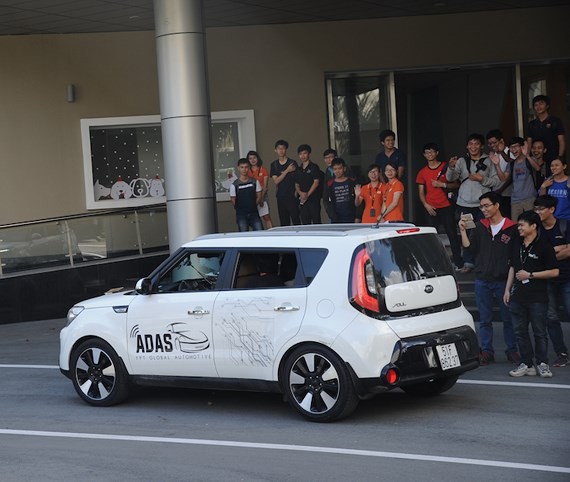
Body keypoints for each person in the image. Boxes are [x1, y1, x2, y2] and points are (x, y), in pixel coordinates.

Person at [458, 191, 519, 365]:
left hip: (502, 279)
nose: (483, 209)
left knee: (508, 318)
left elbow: (515, 256)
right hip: (482, 279)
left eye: (486, 206)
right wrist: (462, 231)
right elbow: (469, 248)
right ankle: (486, 351)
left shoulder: (512, 227)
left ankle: (512, 350)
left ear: (497, 205)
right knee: (485, 319)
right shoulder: (480, 226)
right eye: (481, 206)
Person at [504, 210, 559, 378]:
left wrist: (531, 275)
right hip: (518, 295)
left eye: (522, 225)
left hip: (537, 295)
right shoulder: (516, 244)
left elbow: (555, 271)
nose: (518, 228)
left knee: (539, 331)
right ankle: (527, 364)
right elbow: (513, 267)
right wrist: (507, 289)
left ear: (533, 226)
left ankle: (542, 363)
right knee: (520, 331)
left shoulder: (544, 245)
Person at [447, 133, 502, 272]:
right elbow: (450, 178)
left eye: (476, 143)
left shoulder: (489, 161)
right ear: (467, 146)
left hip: (484, 205)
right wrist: (451, 167)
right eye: (470, 144)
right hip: (465, 203)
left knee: (485, 232)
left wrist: (481, 179)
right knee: (467, 232)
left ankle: (485, 262)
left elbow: (496, 181)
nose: (473, 146)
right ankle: (468, 263)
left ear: (482, 146)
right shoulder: (461, 161)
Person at [533, 195, 569, 368]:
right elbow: (537, 256)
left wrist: (549, 254)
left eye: (541, 209)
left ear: (552, 209)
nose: (538, 212)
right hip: (546, 280)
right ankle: (561, 353)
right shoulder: (536, 230)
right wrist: (558, 250)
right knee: (551, 318)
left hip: (567, 278)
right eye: (536, 209)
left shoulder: (564, 225)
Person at [416, 143, 463, 269]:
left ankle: (458, 262)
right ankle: (435, 264)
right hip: (431, 208)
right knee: (432, 238)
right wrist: (426, 205)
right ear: (424, 155)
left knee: (452, 235)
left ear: (437, 153)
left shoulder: (446, 167)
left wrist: (442, 185)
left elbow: (457, 184)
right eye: (427, 152)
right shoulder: (422, 172)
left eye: (432, 152)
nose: (429, 154)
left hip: (446, 205)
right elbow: (421, 192)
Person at [526, 94, 566, 174]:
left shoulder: (555, 121)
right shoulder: (532, 124)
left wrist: (560, 157)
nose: (538, 107)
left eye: (541, 104)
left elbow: (561, 141)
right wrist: (528, 156)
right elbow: (529, 142)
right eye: (536, 105)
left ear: (547, 105)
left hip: (553, 157)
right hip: (537, 160)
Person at [506, 137, 541, 220]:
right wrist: (497, 165)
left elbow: (537, 168)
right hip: (515, 201)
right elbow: (503, 178)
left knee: (531, 223)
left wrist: (527, 155)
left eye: (516, 146)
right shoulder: (511, 164)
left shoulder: (530, 160)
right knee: (516, 226)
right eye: (511, 147)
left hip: (529, 199)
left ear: (522, 147)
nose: (513, 150)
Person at [270, 139, 300, 226]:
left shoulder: (292, 162)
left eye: (283, 148)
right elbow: (276, 181)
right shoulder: (274, 165)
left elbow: (298, 179)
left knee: (296, 220)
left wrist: (296, 192)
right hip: (281, 196)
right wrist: (287, 170)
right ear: (275, 150)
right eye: (279, 148)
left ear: (286, 150)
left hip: (292, 196)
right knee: (284, 221)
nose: (281, 150)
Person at [230, 158, 263, 232]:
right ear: (238, 168)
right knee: (243, 235)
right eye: (242, 167)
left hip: (254, 212)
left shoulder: (254, 182)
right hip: (241, 214)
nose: (244, 169)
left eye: (246, 167)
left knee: (260, 232)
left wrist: (253, 205)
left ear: (249, 168)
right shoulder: (234, 185)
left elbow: (259, 195)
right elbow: (233, 200)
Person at [486, 129, 513, 218]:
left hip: (508, 194)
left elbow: (514, 166)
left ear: (501, 141)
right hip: (496, 193)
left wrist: (500, 191)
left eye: (494, 142)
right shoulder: (492, 155)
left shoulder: (510, 151)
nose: (492, 145)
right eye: (490, 144)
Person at [294, 144, 322, 224]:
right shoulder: (298, 169)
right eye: (300, 154)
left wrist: (307, 194)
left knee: (316, 221)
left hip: (313, 199)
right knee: (305, 222)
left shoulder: (314, 167)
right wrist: (300, 193)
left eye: (304, 153)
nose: (303, 156)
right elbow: (296, 184)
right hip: (302, 200)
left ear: (309, 154)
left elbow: (316, 182)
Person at [538, 158, 570, 227]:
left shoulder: (569, 181)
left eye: (557, 165)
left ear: (564, 166)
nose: (554, 167)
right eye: (552, 166)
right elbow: (542, 201)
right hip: (551, 219)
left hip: (567, 218)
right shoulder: (548, 181)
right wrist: (543, 187)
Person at [323, 158, 356, 223]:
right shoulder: (329, 184)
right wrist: (331, 214)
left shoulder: (352, 182)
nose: (337, 171)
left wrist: (358, 216)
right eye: (335, 169)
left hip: (352, 217)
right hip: (335, 218)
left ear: (344, 168)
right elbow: (326, 200)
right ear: (332, 170)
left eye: (340, 168)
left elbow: (358, 200)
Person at [247, 150, 273, 229]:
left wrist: (260, 198)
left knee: (266, 217)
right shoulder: (247, 171)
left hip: (262, 196)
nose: (253, 160)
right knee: (254, 219)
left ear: (257, 158)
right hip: (251, 197)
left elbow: (265, 186)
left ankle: (272, 234)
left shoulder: (263, 170)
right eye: (250, 158)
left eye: (254, 158)